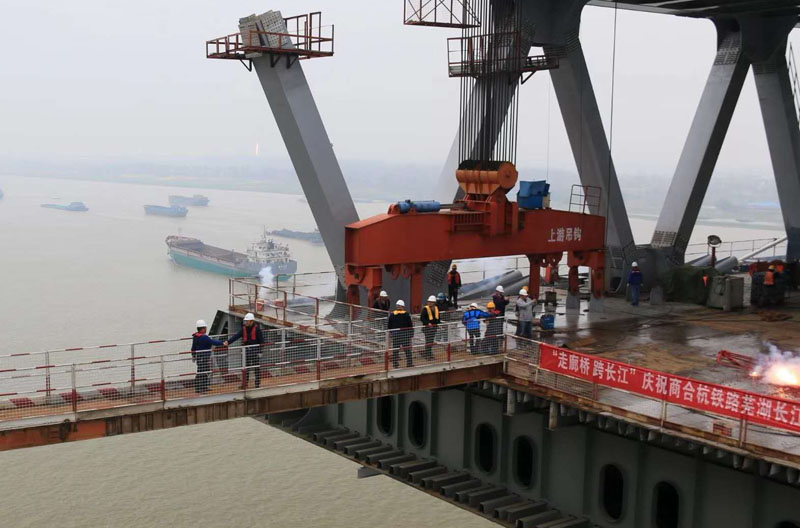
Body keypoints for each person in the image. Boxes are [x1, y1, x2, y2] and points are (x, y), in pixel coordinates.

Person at [224, 312, 264, 388]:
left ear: (252, 321)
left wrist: (260, 351)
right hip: (247, 351)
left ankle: (257, 384)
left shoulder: (257, 329)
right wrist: (228, 342)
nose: (246, 322)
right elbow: (236, 336)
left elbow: (261, 341)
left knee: (256, 368)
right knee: (245, 368)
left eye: (247, 321)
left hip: (255, 351)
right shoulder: (244, 329)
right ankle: (245, 384)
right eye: (246, 321)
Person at [192, 319, 224, 394]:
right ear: (202, 329)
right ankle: (200, 388)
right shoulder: (204, 337)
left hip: (199, 357)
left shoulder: (196, 336)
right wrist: (222, 343)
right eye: (205, 328)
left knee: (203, 371)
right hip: (204, 357)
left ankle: (203, 387)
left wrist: (193, 355)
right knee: (202, 372)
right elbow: (213, 342)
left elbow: (193, 347)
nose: (206, 329)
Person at [388, 300, 414, 368]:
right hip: (404, 335)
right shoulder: (406, 314)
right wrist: (411, 334)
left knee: (397, 350)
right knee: (406, 350)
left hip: (397, 335)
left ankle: (396, 364)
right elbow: (410, 325)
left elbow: (389, 325)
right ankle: (409, 363)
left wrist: (391, 333)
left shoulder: (393, 314)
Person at [420, 295, 440, 360]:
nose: (430, 303)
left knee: (430, 341)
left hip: (433, 328)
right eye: (429, 302)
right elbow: (422, 318)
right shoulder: (425, 309)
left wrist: (438, 324)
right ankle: (428, 355)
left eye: (431, 302)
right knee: (428, 341)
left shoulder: (436, 309)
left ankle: (429, 354)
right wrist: (427, 323)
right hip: (427, 328)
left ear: (434, 303)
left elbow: (438, 318)